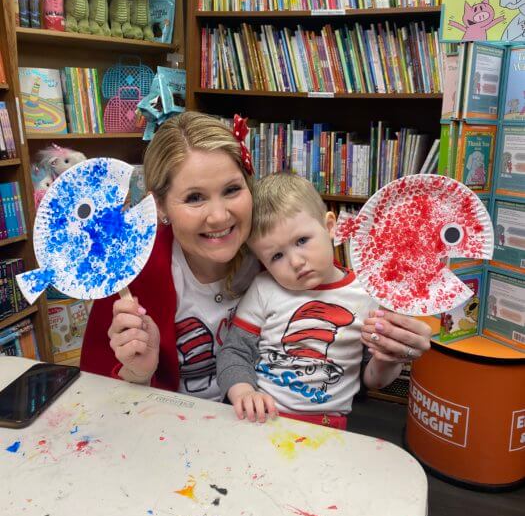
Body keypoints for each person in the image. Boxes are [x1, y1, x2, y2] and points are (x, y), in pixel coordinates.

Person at [217, 172, 432, 429]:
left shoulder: (368, 296)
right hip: (261, 418)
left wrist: (387, 357)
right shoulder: (264, 288)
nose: (296, 262)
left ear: (330, 226)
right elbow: (234, 352)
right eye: (276, 256)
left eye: (302, 241)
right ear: (262, 262)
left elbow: (372, 380)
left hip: (328, 426)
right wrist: (243, 393)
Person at [80, 111, 259, 397]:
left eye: (232, 189)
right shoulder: (129, 271)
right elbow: (98, 392)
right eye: (195, 198)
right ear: (160, 206)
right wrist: (138, 372)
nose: (219, 216)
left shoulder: (277, 252)